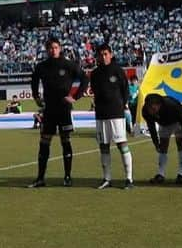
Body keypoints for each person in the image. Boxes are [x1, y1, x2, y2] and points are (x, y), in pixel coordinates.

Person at [29, 36, 87, 188]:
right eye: (50, 48)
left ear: (60, 48)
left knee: (65, 141)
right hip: (49, 109)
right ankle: (40, 178)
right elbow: (34, 80)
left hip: (64, 109)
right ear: (47, 50)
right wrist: (36, 96)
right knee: (44, 142)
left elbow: (84, 79)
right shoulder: (42, 66)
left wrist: (76, 96)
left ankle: (67, 177)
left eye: (55, 47)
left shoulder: (68, 64)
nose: (53, 50)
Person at [89, 43, 133, 190]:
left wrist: (123, 104)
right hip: (101, 114)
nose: (103, 56)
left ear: (111, 54)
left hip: (116, 113)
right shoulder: (94, 74)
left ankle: (129, 179)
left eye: (106, 53)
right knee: (104, 146)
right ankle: (107, 178)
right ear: (97, 56)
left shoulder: (118, 71)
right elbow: (95, 91)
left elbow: (125, 90)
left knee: (122, 144)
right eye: (101, 54)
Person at [141, 93, 182, 184]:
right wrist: (156, 143)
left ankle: (181, 174)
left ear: (159, 105)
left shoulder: (172, 105)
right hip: (163, 124)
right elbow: (151, 127)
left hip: (177, 121)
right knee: (162, 148)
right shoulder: (145, 111)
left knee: (181, 145)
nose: (150, 111)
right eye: (149, 108)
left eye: (153, 109)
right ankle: (161, 174)